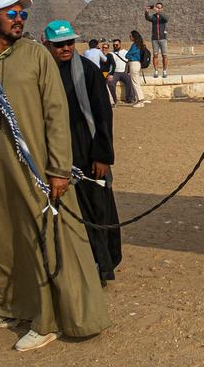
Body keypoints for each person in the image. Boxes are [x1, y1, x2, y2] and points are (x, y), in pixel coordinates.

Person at [0, 0, 111, 352]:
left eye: (22, 13)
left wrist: (59, 168)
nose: (19, 18)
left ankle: (46, 320)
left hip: (33, 166)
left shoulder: (36, 56)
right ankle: (4, 306)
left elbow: (56, 116)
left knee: (39, 238)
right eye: (11, 13)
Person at [43, 20, 122, 285]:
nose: (66, 49)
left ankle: (102, 266)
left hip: (87, 153)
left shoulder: (86, 71)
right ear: (47, 45)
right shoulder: (43, 73)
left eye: (69, 43)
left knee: (96, 210)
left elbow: (102, 114)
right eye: (59, 45)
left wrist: (103, 156)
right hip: (54, 153)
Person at [144, 2, 169, 78]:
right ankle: (156, 71)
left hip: (163, 39)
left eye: (159, 7)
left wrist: (158, 12)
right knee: (155, 55)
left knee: (164, 55)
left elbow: (166, 19)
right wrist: (146, 12)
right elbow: (147, 18)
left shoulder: (163, 16)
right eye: (157, 7)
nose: (157, 8)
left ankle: (164, 71)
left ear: (162, 8)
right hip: (154, 39)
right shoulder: (154, 17)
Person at [126, 30, 149, 108]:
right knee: (136, 82)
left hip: (134, 64)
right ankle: (138, 99)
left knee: (135, 82)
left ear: (133, 37)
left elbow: (128, 54)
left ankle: (140, 100)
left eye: (130, 36)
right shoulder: (140, 45)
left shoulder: (135, 45)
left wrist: (129, 56)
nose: (130, 37)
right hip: (137, 64)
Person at [107, 39, 133, 105]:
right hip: (114, 72)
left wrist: (129, 71)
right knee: (110, 83)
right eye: (114, 45)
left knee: (130, 81)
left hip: (124, 72)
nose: (115, 46)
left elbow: (129, 62)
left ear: (120, 45)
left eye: (116, 45)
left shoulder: (125, 52)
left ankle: (129, 99)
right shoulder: (110, 54)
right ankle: (114, 100)